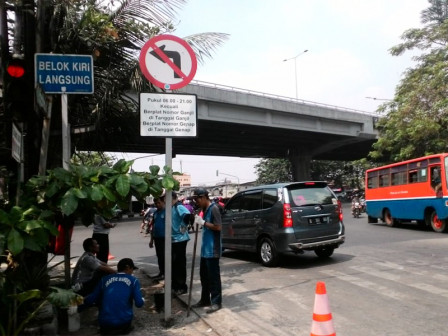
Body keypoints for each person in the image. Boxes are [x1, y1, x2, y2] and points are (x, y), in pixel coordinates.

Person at [84, 258, 145, 335]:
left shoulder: (104, 279)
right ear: (127, 267)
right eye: (132, 269)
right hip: (123, 323)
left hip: (104, 323)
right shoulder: (133, 280)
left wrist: (81, 301)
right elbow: (139, 304)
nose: (132, 272)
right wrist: (143, 298)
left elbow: (91, 299)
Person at [191, 188, 223, 314]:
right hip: (205, 250)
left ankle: (216, 302)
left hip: (212, 249)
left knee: (213, 277)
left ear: (204, 197)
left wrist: (203, 222)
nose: (196, 201)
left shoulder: (214, 208)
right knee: (204, 277)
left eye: (197, 199)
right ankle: (205, 299)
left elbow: (218, 227)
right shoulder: (204, 209)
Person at [170, 191, 192, 295]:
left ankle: (182, 286)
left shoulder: (178, 206)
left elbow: (187, 215)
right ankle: (175, 285)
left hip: (180, 239)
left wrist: (183, 227)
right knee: (174, 263)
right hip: (174, 239)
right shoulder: (172, 207)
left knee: (179, 263)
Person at [148, 197, 166, 280]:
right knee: (159, 256)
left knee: (165, 256)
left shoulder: (167, 212)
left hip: (165, 238)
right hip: (157, 238)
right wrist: (151, 240)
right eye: (156, 203)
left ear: (163, 202)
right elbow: (153, 226)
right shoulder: (155, 213)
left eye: (159, 203)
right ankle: (161, 272)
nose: (157, 205)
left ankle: (167, 274)